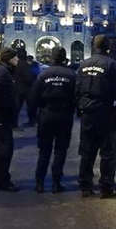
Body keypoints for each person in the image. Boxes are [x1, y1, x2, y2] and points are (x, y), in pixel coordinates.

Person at [75, 35, 116, 199]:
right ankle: (106, 187)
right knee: (108, 152)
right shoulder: (111, 64)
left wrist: (79, 109)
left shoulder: (84, 64)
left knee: (87, 151)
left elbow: (77, 89)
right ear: (108, 46)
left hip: (87, 113)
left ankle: (85, 185)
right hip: (105, 112)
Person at [28, 47, 76, 194]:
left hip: (46, 114)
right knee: (60, 150)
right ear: (64, 58)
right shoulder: (71, 75)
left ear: (52, 58)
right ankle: (56, 183)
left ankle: (39, 183)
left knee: (44, 150)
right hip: (64, 115)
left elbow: (33, 97)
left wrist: (33, 116)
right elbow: (77, 95)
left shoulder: (43, 74)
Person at [0, 47, 22, 192]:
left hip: (3, 114)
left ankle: (0, 178)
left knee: (4, 146)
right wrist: (3, 105)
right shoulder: (3, 72)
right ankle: (3, 180)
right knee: (5, 148)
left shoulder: (5, 70)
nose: (18, 60)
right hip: (2, 115)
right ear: (10, 59)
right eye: (15, 57)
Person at [14, 48, 34, 128]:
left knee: (17, 107)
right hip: (25, 88)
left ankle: (14, 124)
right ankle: (31, 120)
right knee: (30, 105)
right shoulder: (24, 64)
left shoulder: (16, 64)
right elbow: (28, 77)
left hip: (17, 88)